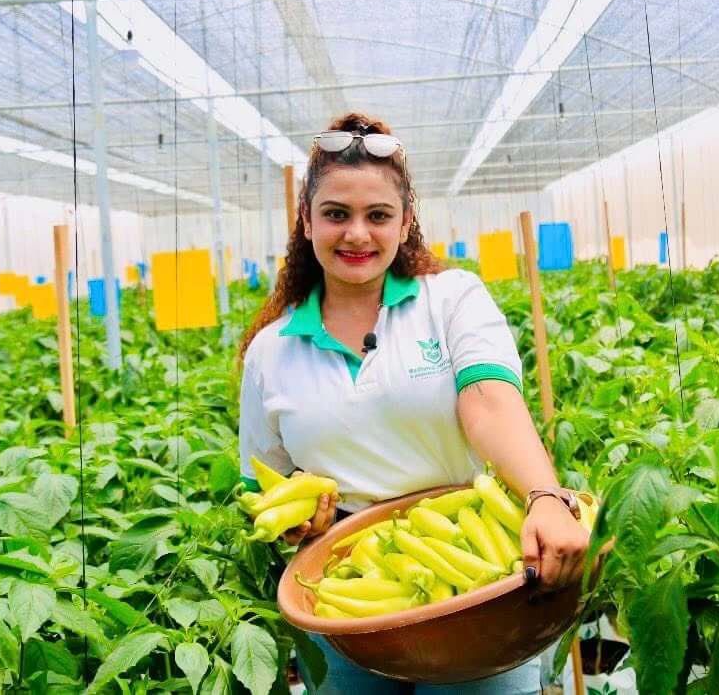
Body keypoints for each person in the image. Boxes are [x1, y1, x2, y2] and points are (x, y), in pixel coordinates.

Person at [238, 112, 590, 694]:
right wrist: (299, 520)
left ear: (405, 225)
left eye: (378, 215)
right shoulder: (272, 352)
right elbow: (268, 483)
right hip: (345, 591)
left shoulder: (450, 299)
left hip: (475, 578)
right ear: (305, 221)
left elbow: (488, 401)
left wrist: (545, 496)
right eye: (335, 214)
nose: (357, 234)